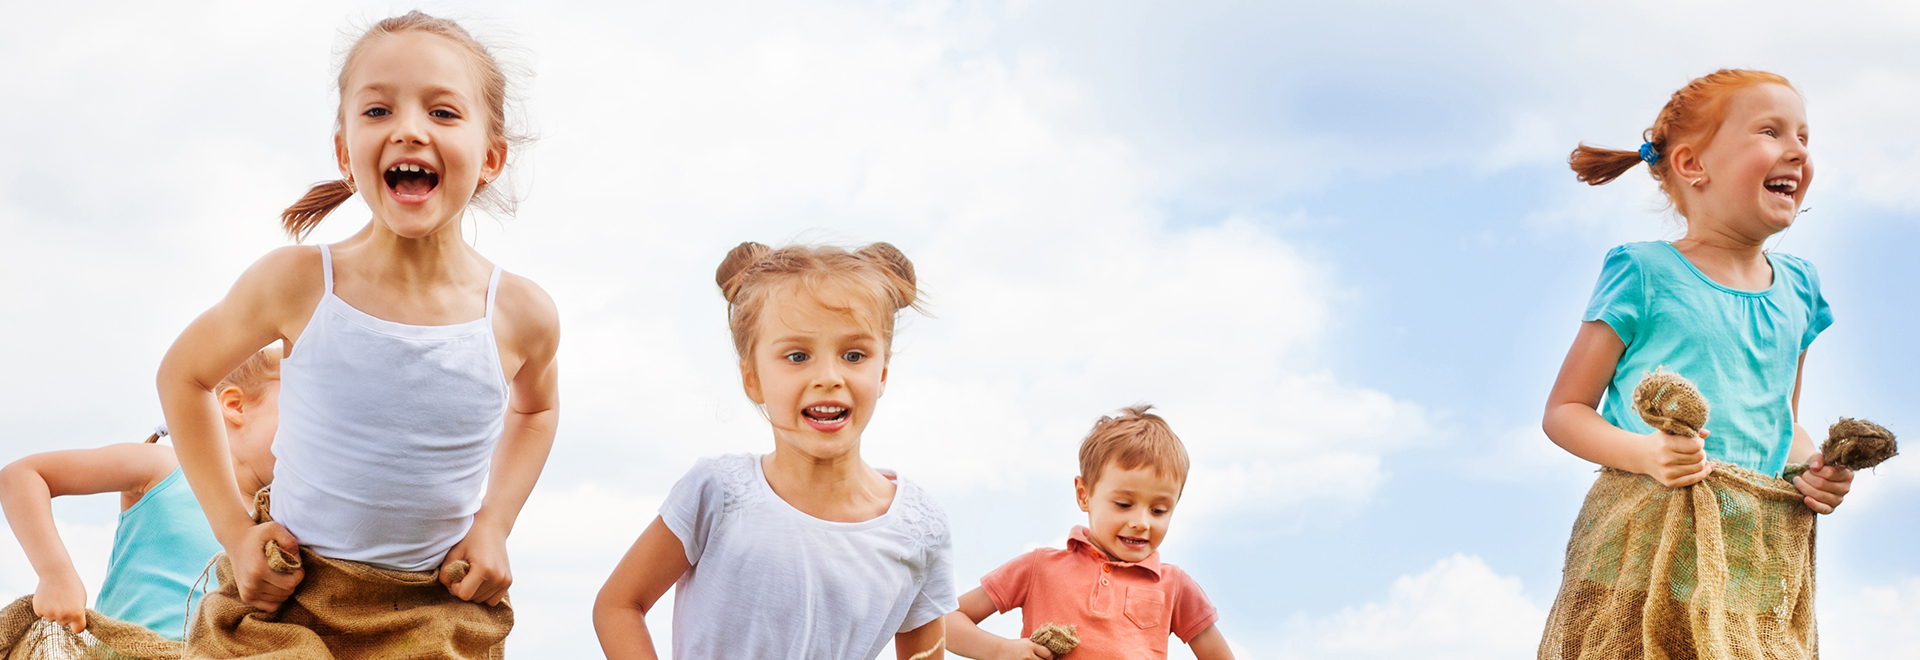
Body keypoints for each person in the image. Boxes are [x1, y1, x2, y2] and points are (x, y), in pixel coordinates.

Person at [153, 9, 559, 649]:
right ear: (345, 152)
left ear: (491, 157)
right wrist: (234, 531)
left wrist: (495, 523)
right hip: (292, 596)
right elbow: (184, 375)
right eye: (377, 112)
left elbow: (535, 412)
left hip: (430, 605)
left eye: (443, 113)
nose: (409, 131)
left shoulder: (519, 314)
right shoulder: (299, 282)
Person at [1539, 69, 1847, 658]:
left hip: (1746, 568)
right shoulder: (1644, 272)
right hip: (1637, 562)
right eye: (1770, 131)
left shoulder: (1800, 290)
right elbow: (1564, 410)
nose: (1797, 151)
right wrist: (1646, 455)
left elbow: (1778, 423)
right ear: (1691, 165)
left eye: (1804, 138)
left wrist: (1812, 467)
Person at [594, 242, 953, 660]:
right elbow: (619, 605)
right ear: (753, 379)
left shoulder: (918, 527)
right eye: (797, 356)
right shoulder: (719, 492)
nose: (828, 377)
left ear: (883, 373)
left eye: (854, 355)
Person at [1, 348, 280, 639]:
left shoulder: (279, 526)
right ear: (236, 405)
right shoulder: (165, 467)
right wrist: (55, 574)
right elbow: (24, 476)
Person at [944, 405, 1234, 660]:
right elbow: (945, 620)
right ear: (1084, 495)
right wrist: (1001, 650)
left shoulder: (1175, 585)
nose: (1142, 522)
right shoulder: (1039, 568)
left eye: (1158, 510)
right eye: (1123, 504)